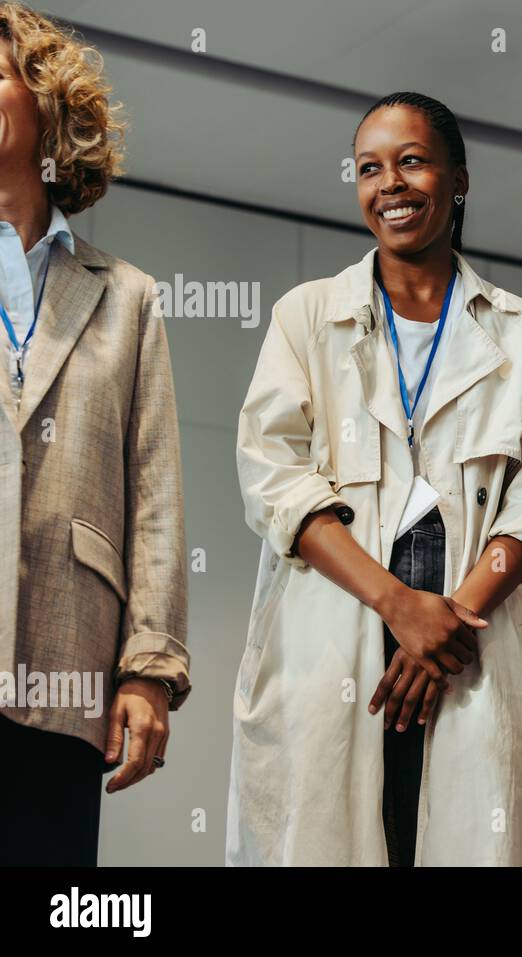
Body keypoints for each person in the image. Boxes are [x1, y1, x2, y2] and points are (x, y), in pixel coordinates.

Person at [228, 92, 522, 866]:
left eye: (412, 161)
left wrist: (441, 625)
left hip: (465, 634)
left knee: (458, 837)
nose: (390, 184)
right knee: (327, 838)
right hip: (339, 623)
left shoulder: (520, 331)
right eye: (370, 168)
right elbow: (272, 476)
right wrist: (396, 605)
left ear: (459, 180)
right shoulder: (306, 316)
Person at [0, 2, 189, 866]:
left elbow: (154, 499)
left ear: (48, 103)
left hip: (65, 668)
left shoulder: (128, 297)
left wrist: (149, 670)